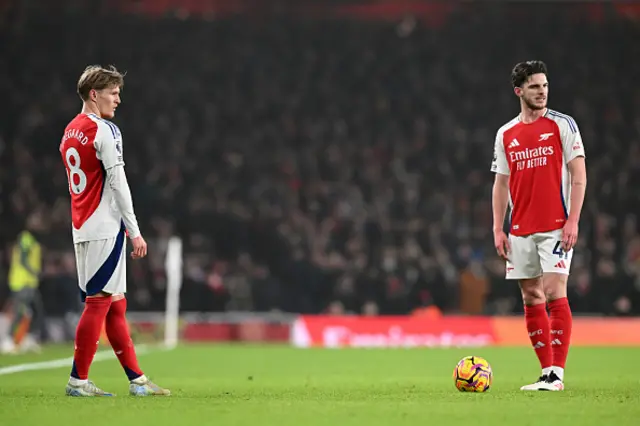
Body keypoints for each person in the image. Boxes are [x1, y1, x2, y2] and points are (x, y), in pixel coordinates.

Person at [59, 65, 170, 397]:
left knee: (115, 304)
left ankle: (137, 380)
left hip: (83, 224)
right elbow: (118, 183)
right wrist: (134, 231)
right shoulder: (105, 130)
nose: (118, 99)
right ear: (94, 94)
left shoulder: (68, 132)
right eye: (113, 93)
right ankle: (78, 381)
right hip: (104, 226)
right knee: (98, 303)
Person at [490, 61, 587, 391]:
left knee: (553, 291)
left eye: (544, 85)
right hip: (519, 228)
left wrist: (573, 220)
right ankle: (546, 373)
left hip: (555, 226)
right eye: (534, 86)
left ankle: (557, 374)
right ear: (519, 91)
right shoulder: (506, 134)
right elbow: (501, 184)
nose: (542, 91)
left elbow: (579, 175)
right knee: (531, 297)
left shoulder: (562, 125)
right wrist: (497, 228)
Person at [1, 218, 42, 354]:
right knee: (19, 311)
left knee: (34, 310)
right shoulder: (25, 237)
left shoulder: (32, 239)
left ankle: (27, 339)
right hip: (22, 281)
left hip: (30, 282)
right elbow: (23, 258)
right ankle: (8, 340)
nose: (39, 223)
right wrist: (33, 271)